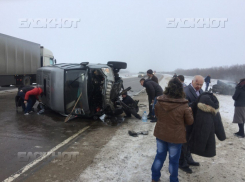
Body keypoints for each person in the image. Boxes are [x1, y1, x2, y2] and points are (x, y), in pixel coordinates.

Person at [151, 78, 194, 182]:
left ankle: (154, 178)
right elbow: (190, 122)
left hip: (161, 134)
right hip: (176, 137)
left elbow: (157, 115)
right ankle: (173, 180)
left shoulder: (159, 101)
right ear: (180, 89)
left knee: (159, 157)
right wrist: (190, 111)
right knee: (173, 161)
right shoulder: (184, 105)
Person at [179, 75, 204, 173]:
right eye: (197, 84)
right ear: (193, 82)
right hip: (185, 121)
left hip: (194, 120)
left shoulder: (201, 91)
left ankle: (189, 159)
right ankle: (182, 162)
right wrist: (195, 106)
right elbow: (182, 105)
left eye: (201, 84)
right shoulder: (186, 91)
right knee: (183, 141)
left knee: (189, 141)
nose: (199, 86)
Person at [189, 92, 226, 157]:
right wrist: (222, 136)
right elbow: (218, 124)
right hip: (207, 136)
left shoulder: (197, 106)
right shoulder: (214, 110)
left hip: (195, 134)